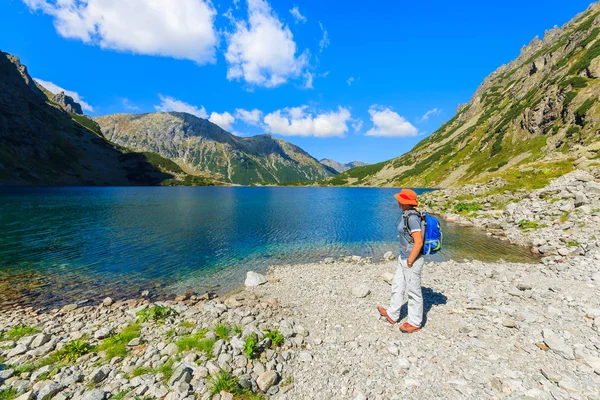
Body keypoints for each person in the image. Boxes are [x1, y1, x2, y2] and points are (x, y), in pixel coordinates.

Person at [377, 188, 425, 333]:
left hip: (411, 259)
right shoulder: (407, 214)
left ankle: (415, 322)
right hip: (403, 257)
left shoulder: (412, 218)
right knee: (397, 285)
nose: (398, 201)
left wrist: (410, 261)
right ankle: (392, 313)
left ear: (404, 202)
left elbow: (418, 242)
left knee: (413, 291)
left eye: (400, 200)